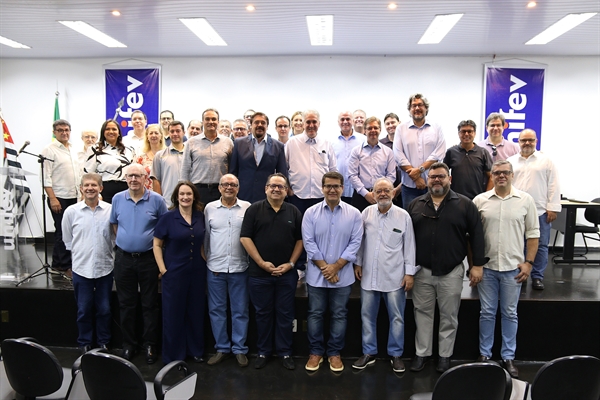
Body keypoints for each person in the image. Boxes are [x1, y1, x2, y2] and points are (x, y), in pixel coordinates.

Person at [407, 162, 487, 373]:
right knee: (422, 313)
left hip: (451, 271)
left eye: (441, 176)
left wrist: (476, 265)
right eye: (432, 176)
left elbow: (477, 235)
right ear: (428, 179)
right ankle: (422, 353)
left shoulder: (465, 204)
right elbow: (406, 241)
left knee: (449, 316)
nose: (436, 180)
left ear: (449, 179)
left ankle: (445, 356)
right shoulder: (415, 204)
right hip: (422, 271)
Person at [473, 160, 540, 379]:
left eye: (505, 173)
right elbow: (472, 236)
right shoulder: (480, 201)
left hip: (513, 269)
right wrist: (475, 264)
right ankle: (484, 355)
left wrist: (529, 263)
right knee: (487, 312)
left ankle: (508, 356)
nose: (501, 176)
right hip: (488, 268)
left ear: (512, 175)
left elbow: (533, 234)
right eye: (497, 173)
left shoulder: (525, 200)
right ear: (491, 175)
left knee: (510, 313)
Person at [352, 178, 416, 373]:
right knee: (367, 316)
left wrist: (409, 273)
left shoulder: (403, 216)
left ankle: (396, 354)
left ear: (393, 193)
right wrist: (358, 262)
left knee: (396, 317)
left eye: (386, 190)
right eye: (378, 190)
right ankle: (368, 352)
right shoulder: (366, 214)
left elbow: (410, 246)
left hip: (395, 276)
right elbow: (360, 242)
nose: (382, 194)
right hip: (369, 275)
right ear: (373, 193)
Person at [240, 173, 303, 370]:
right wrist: (261, 262)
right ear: (266, 188)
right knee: (262, 314)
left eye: (280, 187)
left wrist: (291, 264)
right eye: (272, 186)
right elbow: (245, 238)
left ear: (286, 190)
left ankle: (285, 352)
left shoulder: (293, 211)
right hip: (260, 275)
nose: (276, 189)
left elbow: (301, 240)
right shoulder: (254, 210)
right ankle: (263, 351)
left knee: (285, 314)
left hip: (287, 275)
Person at [302, 171, 363, 372]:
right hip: (316, 277)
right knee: (315, 314)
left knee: (339, 314)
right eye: (328, 186)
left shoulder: (354, 214)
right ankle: (316, 352)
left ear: (342, 188)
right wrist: (326, 269)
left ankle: (334, 353)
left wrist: (335, 267)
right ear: (322, 188)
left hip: (342, 277)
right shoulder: (310, 213)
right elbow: (309, 244)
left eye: (336, 186)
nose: (332, 189)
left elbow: (355, 243)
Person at [110, 163, 168, 363]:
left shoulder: (157, 201)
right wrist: (128, 242)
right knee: (126, 304)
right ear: (125, 178)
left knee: (149, 304)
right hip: (124, 259)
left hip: (148, 259)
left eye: (137, 176)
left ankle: (150, 345)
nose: (133, 179)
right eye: (130, 176)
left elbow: (163, 230)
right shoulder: (117, 199)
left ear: (146, 179)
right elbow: (115, 225)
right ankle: (129, 345)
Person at [153, 181, 207, 364]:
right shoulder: (168, 218)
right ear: (176, 197)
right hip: (174, 273)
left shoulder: (200, 216)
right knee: (173, 314)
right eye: (182, 194)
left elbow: (200, 242)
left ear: (194, 197)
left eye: (189, 194)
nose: (185, 197)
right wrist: (162, 268)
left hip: (197, 272)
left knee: (196, 311)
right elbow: (157, 244)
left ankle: (195, 350)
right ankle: (174, 355)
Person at [62, 173, 114, 354]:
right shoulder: (71, 212)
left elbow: (114, 237)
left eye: (94, 185)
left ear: (101, 188)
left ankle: (103, 341)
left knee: (105, 309)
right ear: (81, 189)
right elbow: (68, 240)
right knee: (83, 309)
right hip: (81, 269)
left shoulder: (110, 210)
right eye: (86, 185)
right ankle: (84, 341)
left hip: (105, 268)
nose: (90, 188)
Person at [203, 174, 252, 368]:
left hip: (240, 267)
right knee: (217, 310)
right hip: (215, 268)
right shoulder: (210, 208)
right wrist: (208, 257)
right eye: (225, 184)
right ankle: (222, 347)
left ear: (238, 188)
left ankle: (239, 349)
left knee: (240, 310)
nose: (229, 187)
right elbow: (206, 236)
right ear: (219, 188)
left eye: (233, 184)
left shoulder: (247, 208)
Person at [508, 129, 561, 290]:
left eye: (530, 140)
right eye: (524, 140)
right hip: (516, 211)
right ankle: (520, 274)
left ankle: (537, 276)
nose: (527, 143)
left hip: (540, 211)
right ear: (518, 141)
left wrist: (552, 208)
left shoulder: (546, 161)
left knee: (542, 245)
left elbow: (553, 184)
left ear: (536, 141)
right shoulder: (510, 161)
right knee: (517, 245)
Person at [41, 119, 81, 276]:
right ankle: (64, 266)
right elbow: (45, 177)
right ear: (54, 132)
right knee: (62, 231)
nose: (64, 132)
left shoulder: (72, 149)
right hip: (59, 196)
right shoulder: (49, 150)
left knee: (69, 230)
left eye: (67, 130)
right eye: (60, 130)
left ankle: (57, 264)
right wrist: (52, 198)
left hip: (74, 196)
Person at [393, 93, 446, 209]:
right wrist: (416, 178)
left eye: (420, 105)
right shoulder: (401, 128)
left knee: (433, 219)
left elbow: (439, 153)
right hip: (408, 187)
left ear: (426, 108)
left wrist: (420, 170)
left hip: (433, 185)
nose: (417, 108)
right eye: (414, 105)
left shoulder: (436, 127)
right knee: (410, 220)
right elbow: (398, 156)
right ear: (410, 109)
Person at [284, 109, 337, 214]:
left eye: (314, 122)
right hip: (297, 196)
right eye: (308, 122)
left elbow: (333, 170)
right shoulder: (292, 143)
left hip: (321, 195)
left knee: (320, 228)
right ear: (303, 124)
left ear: (319, 124)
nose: (311, 125)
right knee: (298, 228)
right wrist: (288, 189)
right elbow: (283, 168)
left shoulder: (326, 143)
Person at [229, 112, 287, 203]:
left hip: (267, 196)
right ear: (251, 125)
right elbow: (233, 171)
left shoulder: (278, 146)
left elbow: (282, 173)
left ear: (267, 126)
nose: (260, 125)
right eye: (256, 122)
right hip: (243, 194)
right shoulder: (239, 143)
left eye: (263, 123)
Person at [181, 108, 234, 205]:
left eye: (214, 119)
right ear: (203, 122)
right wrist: (184, 192)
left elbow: (232, 168)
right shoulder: (192, 142)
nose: (211, 122)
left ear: (218, 121)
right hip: (198, 190)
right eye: (207, 119)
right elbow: (185, 169)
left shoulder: (228, 142)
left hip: (221, 190)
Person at [347, 116, 396, 212]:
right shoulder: (356, 151)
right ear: (364, 131)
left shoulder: (388, 152)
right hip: (361, 196)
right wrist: (366, 194)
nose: (373, 130)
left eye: (375, 128)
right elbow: (352, 175)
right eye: (369, 128)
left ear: (380, 130)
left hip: (383, 196)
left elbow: (391, 176)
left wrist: (380, 192)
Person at [84, 119, 134, 203]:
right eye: (107, 129)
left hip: (126, 190)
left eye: (114, 129)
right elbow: (88, 174)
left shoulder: (129, 150)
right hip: (104, 191)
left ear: (119, 133)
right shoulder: (94, 149)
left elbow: (133, 170)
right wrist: (96, 194)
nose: (111, 131)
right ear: (103, 132)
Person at [443, 120, 493, 200]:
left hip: (477, 199)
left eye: (470, 131)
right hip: (455, 199)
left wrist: (486, 197)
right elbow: (443, 174)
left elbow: (491, 176)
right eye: (463, 131)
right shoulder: (451, 152)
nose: (466, 134)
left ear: (474, 133)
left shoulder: (483, 153)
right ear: (459, 133)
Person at [331, 111, 366, 204]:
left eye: (348, 119)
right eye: (342, 119)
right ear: (338, 122)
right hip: (337, 190)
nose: (345, 122)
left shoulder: (363, 140)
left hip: (358, 190)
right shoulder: (331, 142)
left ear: (353, 121)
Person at [152, 121, 186, 207]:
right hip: (168, 203)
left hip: (188, 202)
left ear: (184, 133)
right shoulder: (160, 155)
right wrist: (159, 203)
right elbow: (156, 180)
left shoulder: (191, 154)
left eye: (178, 131)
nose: (175, 134)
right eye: (172, 131)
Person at [380, 113, 402, 207]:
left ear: (399, 123)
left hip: (404, 187)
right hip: (384, 191)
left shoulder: (405, 142)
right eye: (387, 124)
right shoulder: (380, 144)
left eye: (393, 122)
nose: (390, 126)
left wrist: (398, 189)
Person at [136, 124, 165, 191]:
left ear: (161, 136)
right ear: (147, 137)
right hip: (146, 194)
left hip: (165, 193)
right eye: (151, 133)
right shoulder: (141, 158)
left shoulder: (167, 155)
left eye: (156, 133)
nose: (153, 135)